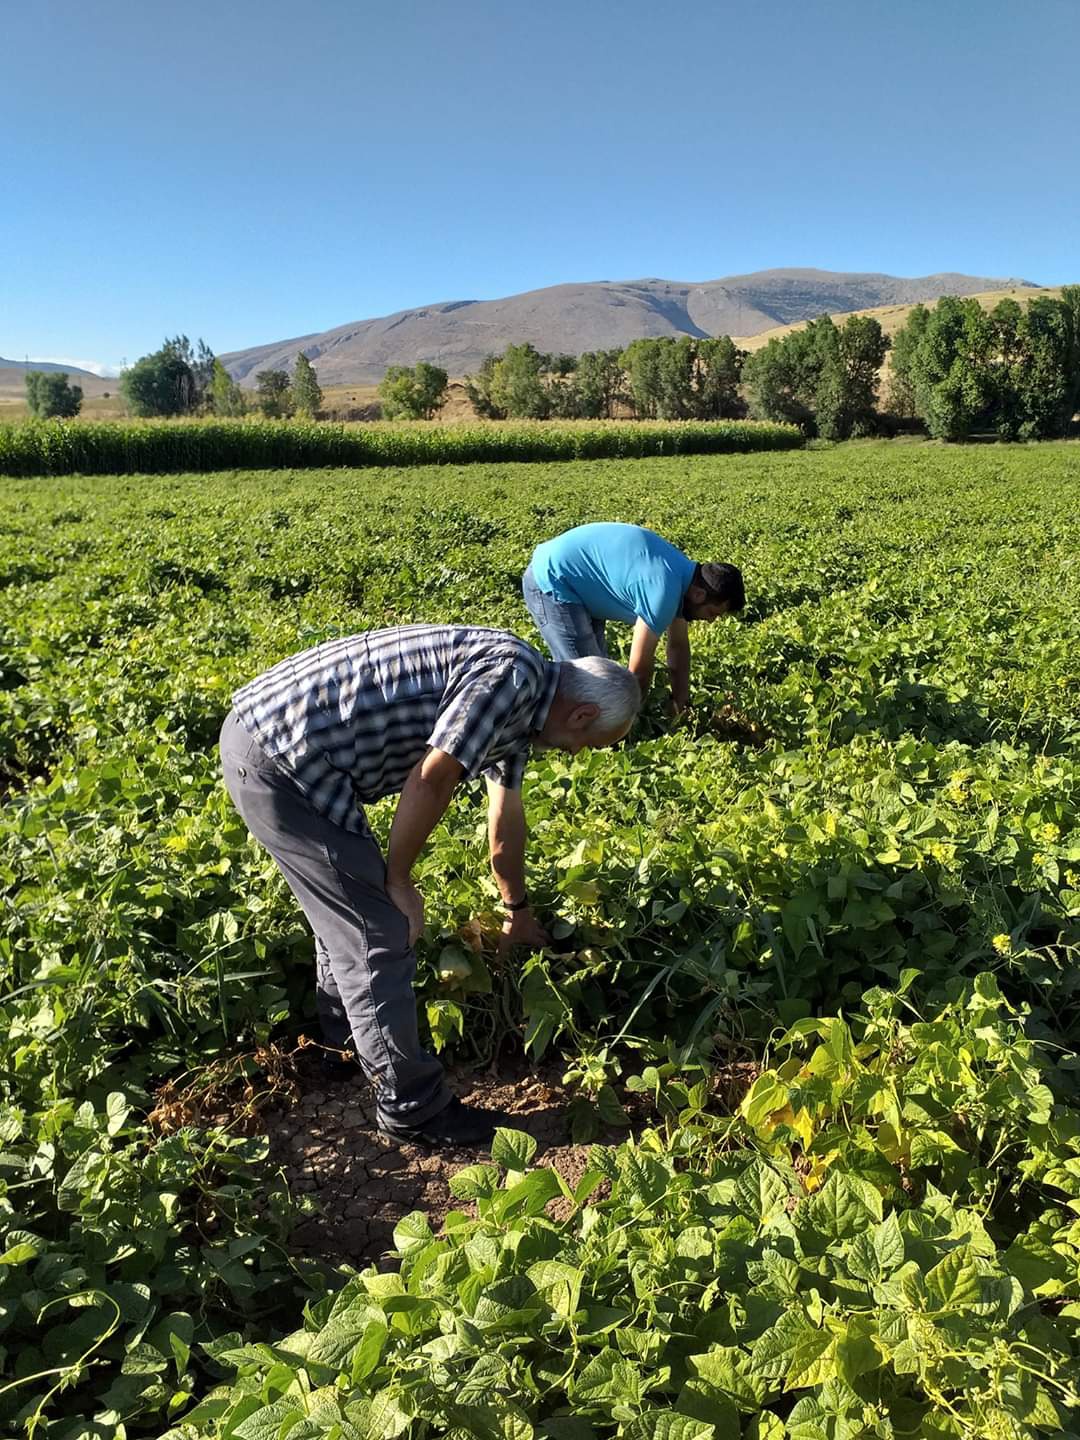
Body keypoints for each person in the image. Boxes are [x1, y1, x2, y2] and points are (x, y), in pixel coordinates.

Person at [220, 624, 640, 1150]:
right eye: (587, 742)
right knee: (377, 931)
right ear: (581, 715)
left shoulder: (523, 707)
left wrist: (517, 908)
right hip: (281, 755)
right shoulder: (511, 677)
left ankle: (340, 1048)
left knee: (347, 916)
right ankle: (411, 1108)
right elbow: (432, 777)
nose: (577, 754)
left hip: (279, 743)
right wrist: (399, 880)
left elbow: (505, 821)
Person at [522, 522, 745, 713]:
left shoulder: (684, 575)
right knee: (585, 682)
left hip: (581, 583)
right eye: (712, 613)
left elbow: (678, 647)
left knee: (599, 678)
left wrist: (681, 703)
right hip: (555, 578)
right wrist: (630, 718)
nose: (710, 621)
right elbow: (639, 669)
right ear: (699, 595)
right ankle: (540, 727)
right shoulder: (663, 591)